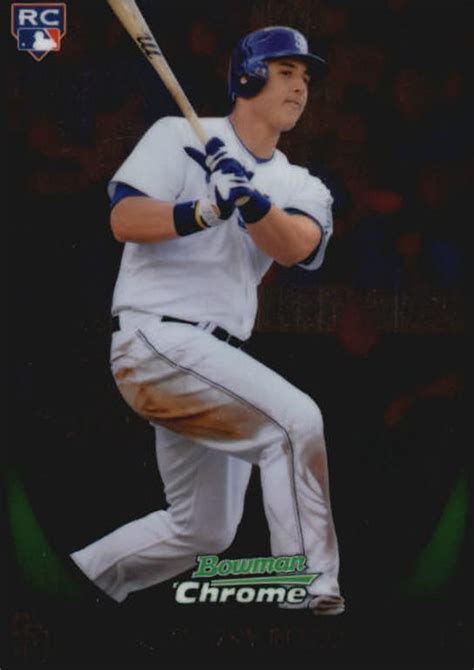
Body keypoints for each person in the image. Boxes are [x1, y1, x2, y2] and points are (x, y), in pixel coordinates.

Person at [70, 26, 345, 616]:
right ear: (248, 76)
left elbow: (296, 246)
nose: (301, 86)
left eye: (305, 77)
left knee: (204, 529)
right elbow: (125, 219)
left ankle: (81, 582)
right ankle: (308, 589)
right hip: (156, 336)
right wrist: (204, 209)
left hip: (214, 359)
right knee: (295, 423)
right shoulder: (177, 136)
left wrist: (251, 201)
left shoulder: (301, 184)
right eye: (286, 72)